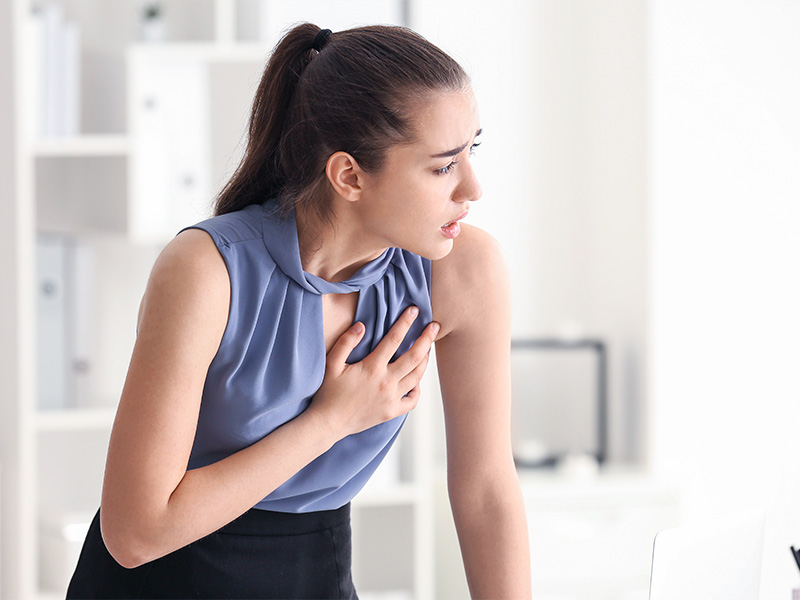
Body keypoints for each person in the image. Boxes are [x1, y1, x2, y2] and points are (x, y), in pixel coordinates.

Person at [67, 23, 531, 599]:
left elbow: (485, 486)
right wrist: (331, 420)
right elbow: (135, 534)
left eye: (472, 152)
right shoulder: (207, 270)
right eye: (442, 167)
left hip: (315, 574)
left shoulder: (464, 270)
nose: (473, 189)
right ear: (349, 175)